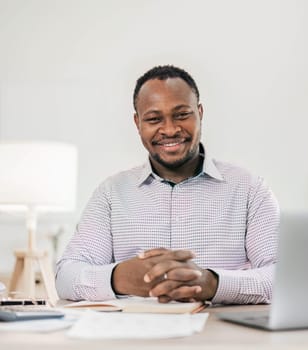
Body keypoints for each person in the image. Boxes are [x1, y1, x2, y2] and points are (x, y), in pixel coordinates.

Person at [56, 65, 279, 304]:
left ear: (200, 113)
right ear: (137, 122)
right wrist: (119, 278)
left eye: (182, 115)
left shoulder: (249, 189)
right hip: (133, 336)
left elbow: (282, 275)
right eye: (154, 119)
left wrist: (212, 283)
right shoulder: (111, 194)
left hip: (223, 336)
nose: (170, 129)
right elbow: (66, 276)